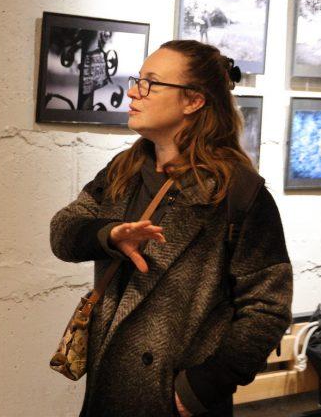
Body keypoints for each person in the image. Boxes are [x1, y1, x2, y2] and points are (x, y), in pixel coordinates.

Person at [50, 40, 292, 417]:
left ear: (193, 100)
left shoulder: (238, 193)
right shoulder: (123, 171)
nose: (133, 92)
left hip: (174, 398)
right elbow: (63, 232)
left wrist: (200, 388)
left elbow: (267, 308)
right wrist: (108, 235)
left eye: (150, 83)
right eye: (137, 80)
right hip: (107, 389)